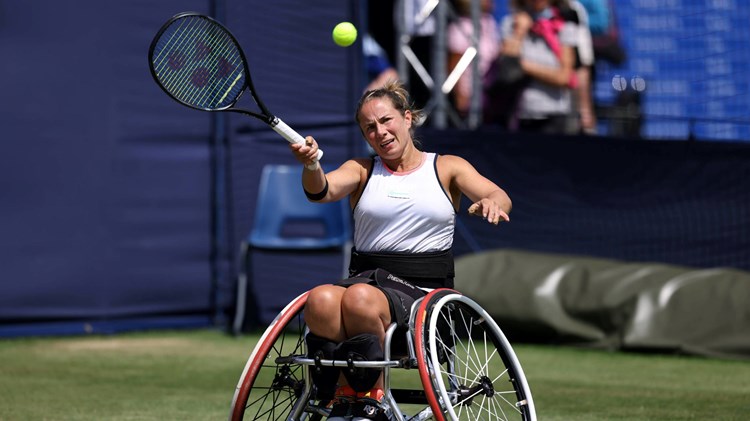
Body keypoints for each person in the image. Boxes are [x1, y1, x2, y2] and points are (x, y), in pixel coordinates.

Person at [289, 80, 511, 420]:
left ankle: (369, 397)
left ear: (407, 118)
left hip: (424, 298)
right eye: (370, 128)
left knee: (360, 297)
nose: (380, 132)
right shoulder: (362, 170)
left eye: (386, 121)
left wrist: (492, 203)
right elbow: (322, 191)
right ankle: (337, 395)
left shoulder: (446, 167)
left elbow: (497, 193)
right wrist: (311, 166)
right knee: (319, 299)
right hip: (364, 282)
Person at [494, 0, 579, 134]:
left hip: (555, 116)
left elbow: (564, 77)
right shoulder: (511, 23)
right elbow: (507, 71)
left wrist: (523, 66)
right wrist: (519, 32)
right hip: (519, 116)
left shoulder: (564, 25)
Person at [446, 0, 501, 117]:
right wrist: (460, 95)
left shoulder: (490, 22)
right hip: (470, 95)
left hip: (490, 93)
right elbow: (454, 65)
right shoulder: (460, 25)